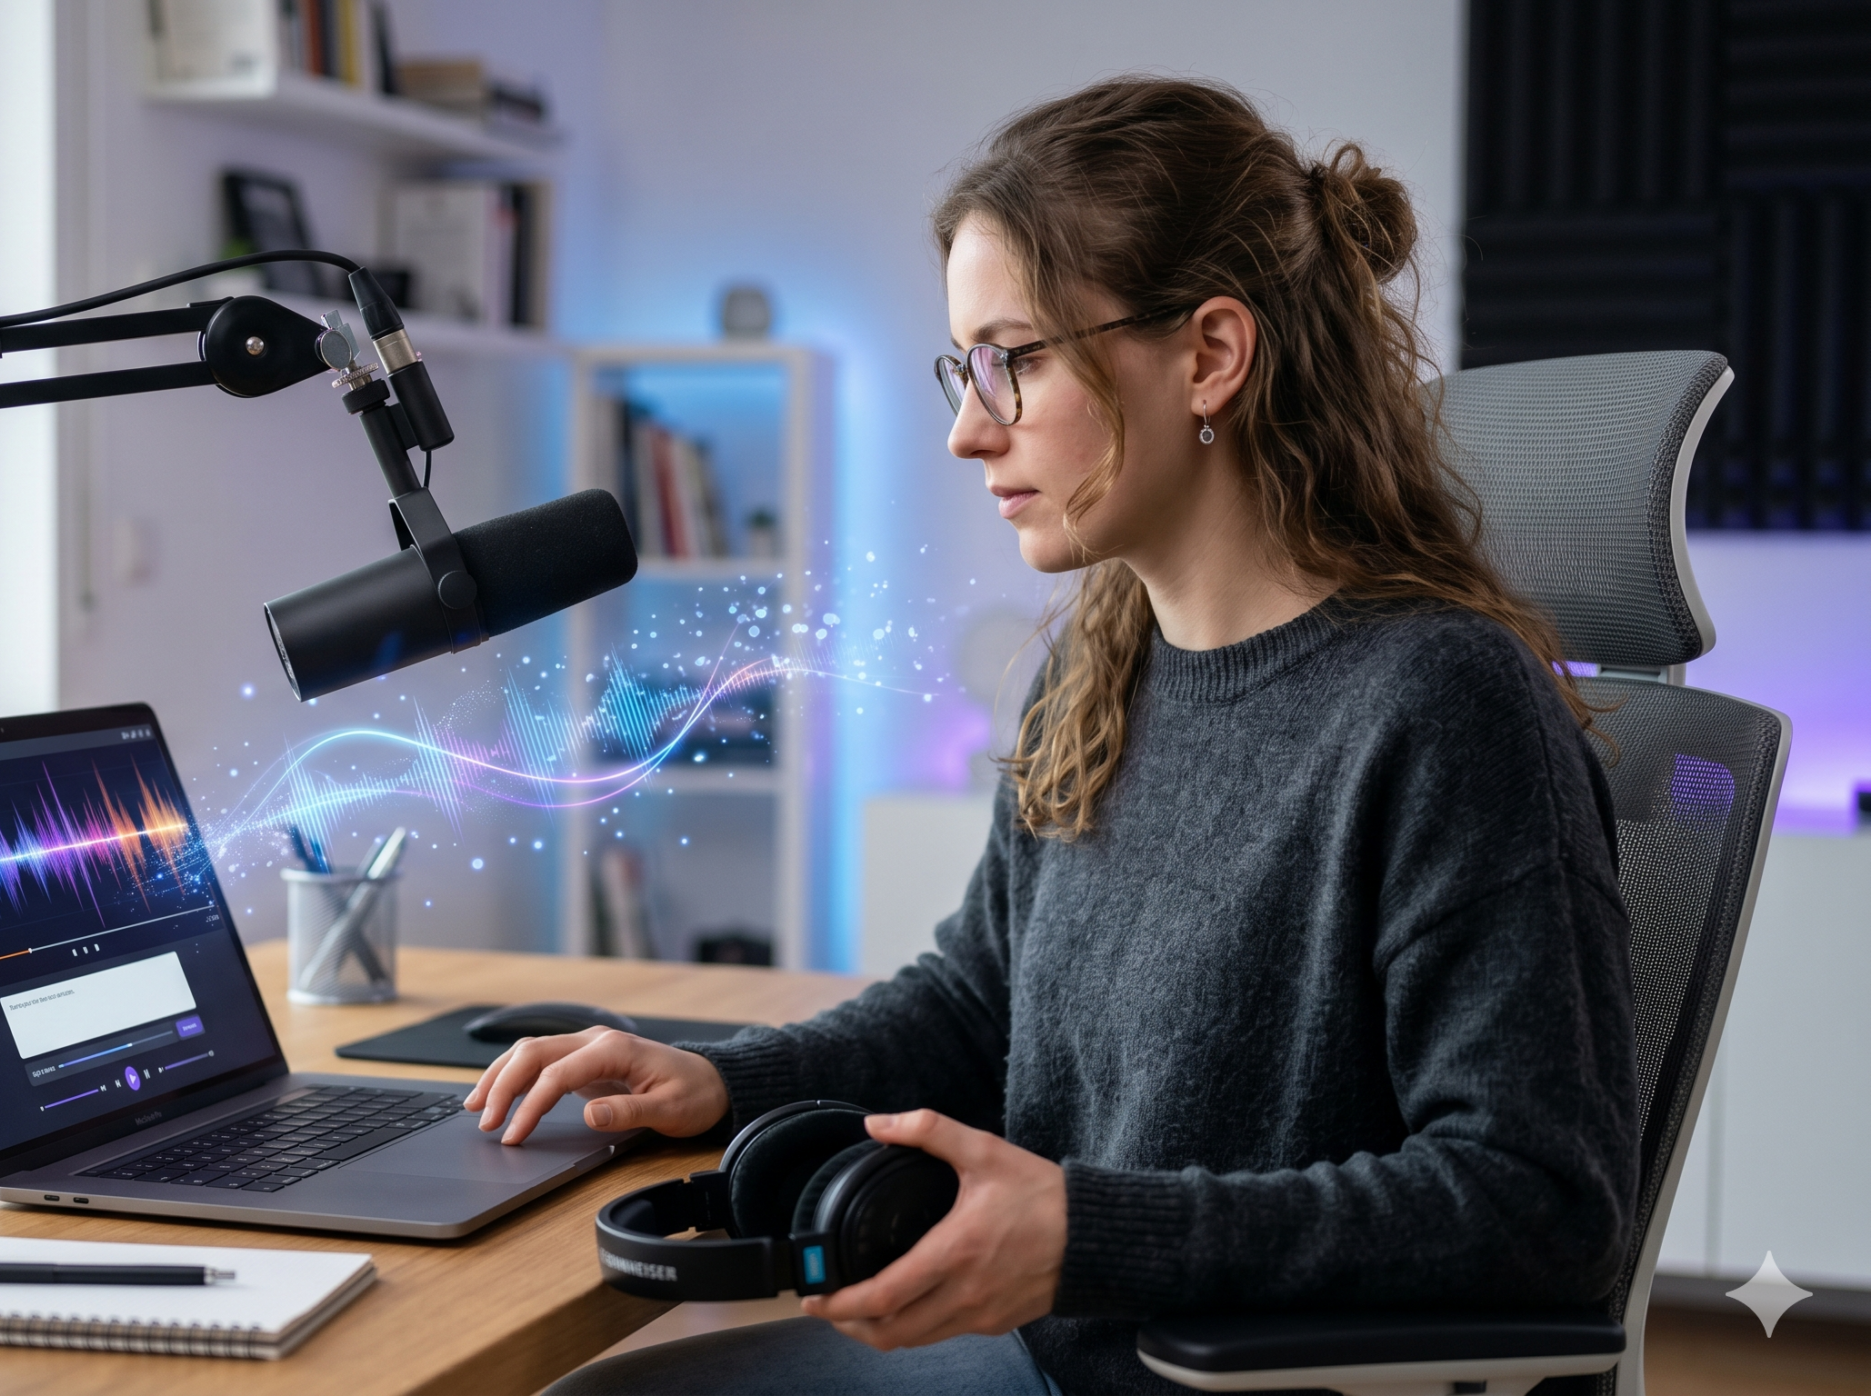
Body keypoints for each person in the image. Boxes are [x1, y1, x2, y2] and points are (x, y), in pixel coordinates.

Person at [483, 76, 1640, 1396]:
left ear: (1210, 355)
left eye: (1015, 361)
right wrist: (717, 1080)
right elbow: (978, 1004)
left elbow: (1540, 1205)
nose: (968, 430)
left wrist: (1093, 1237)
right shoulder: (1100, 666)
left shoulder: (1443, 706)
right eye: (964, 366)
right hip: (1057, 1356)